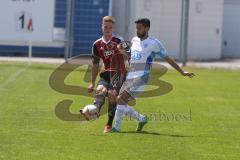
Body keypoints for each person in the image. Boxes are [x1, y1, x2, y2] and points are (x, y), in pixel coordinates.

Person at [111, 18, 195, 132]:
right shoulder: (134, 40)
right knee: (120, 100)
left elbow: (167, 58)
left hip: (142, 76)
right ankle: (141, 119)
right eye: (136, 28)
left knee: (121, 98)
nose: (137, 30)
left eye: (139, 28)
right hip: (131, 75)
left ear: (146, 28)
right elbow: (132, 57)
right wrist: (123, 52)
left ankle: (116, 129)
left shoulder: (154, 43)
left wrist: (181, 72)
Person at [80, 16, 129, 133]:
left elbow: (128, 56)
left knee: (112, 95)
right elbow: (95, 64)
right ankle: (94, 111)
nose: (107, 29)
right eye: (105, 26)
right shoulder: (96, 44)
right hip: (106, 73)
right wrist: (92, 82)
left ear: (113, 28)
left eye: (110, 27)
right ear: (102, 27)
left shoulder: (119, 40)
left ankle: (108, 124)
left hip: (118, 73)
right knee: (100, 89)